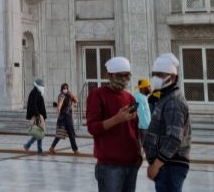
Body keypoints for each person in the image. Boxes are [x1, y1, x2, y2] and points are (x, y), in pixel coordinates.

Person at [86, 56, 142, 192]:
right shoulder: (97, 95)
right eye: (119, 75)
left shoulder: (130, 97)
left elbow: (135, 129)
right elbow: (93, 128)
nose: (123, 79)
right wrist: (117, 119)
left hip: (131, 163)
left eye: (127, 76)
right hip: (110, 165)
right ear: (108, 75)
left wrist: (139, 153)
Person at [143, 53, 191, 191]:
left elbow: (174, 138)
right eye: (154, 74)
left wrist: (156, 165)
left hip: (170, 166)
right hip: (165, 165)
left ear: (173, 77)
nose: (155, 78)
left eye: (160, 75)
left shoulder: (174, 101)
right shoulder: (165, 98)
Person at [48, 82, 79, 155]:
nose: (65, 89)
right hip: (64, 117)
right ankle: (52, 148)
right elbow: (59, 105)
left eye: (66, 88)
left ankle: (75, 150)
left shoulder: (69, 95)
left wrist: (71, 94)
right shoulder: (61, 95)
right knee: (60, 134)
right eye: (64, 88)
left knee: (71, 134)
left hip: (68, 117)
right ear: (61, 89)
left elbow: (76, 100)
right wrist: (58, 112)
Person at [24, 78, 48, 153]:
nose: (43, 86)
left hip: (40, 115)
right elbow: (33, 105)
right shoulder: (34, 92)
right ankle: (38, 150)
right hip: (38, 115)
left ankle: (28, 146)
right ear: (39, 85)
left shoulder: (38, 92)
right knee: (39, 132)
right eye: (42, 85)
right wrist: (37, 115)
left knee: (39, 132)